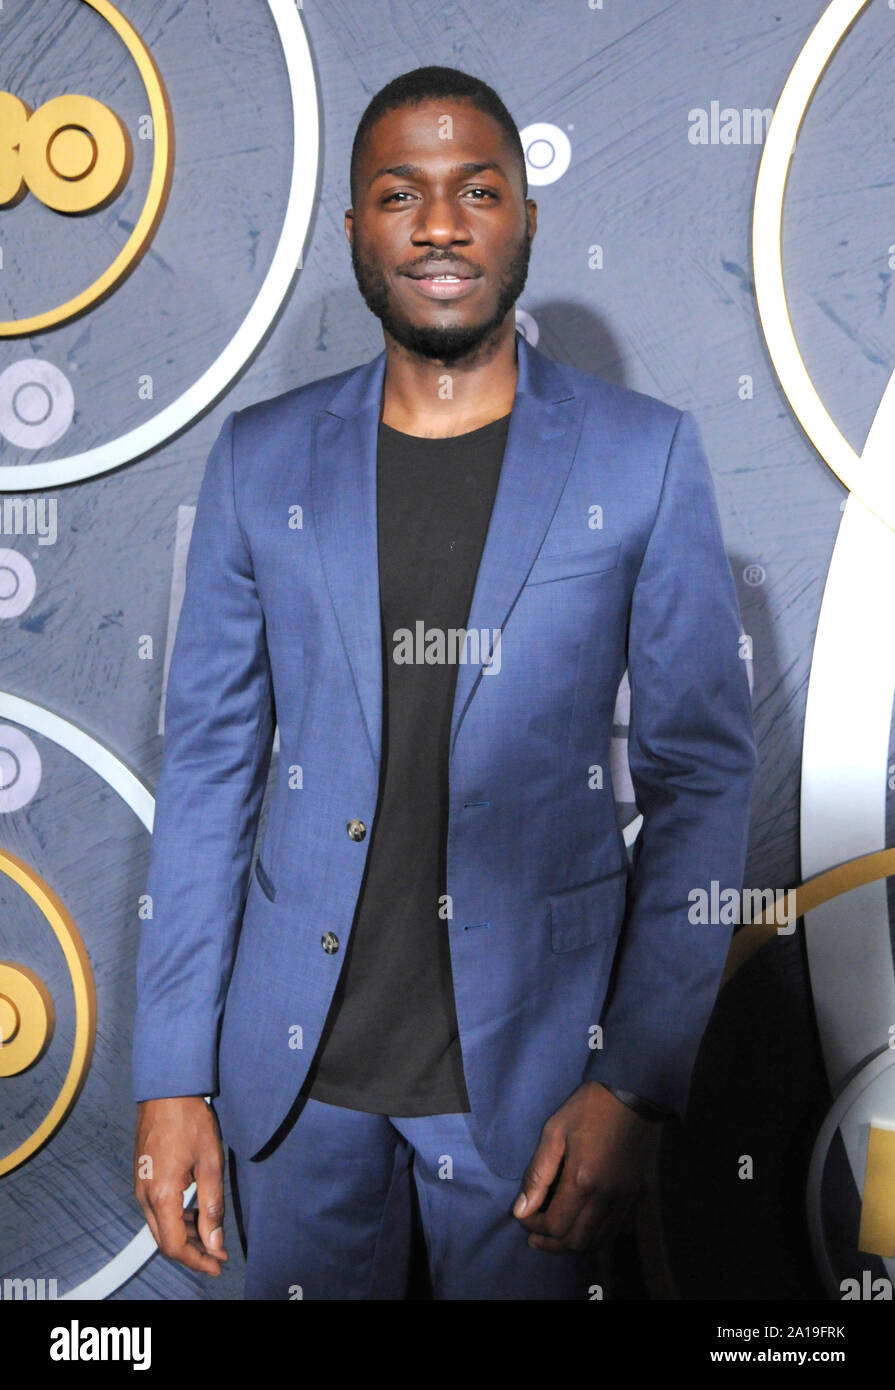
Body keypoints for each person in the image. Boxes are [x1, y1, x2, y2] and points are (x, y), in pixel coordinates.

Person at [132, 65, 757, 1300]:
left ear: (525, 216)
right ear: (356, 229)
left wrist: (630, 1077)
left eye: (477, 189)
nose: (438, 223)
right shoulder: (262, 462)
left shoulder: (642, 459)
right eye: (399, 193)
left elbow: (704, 779)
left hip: (533, 1080)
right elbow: (205, 772)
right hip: (293, 1088)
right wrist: (170, 1073)